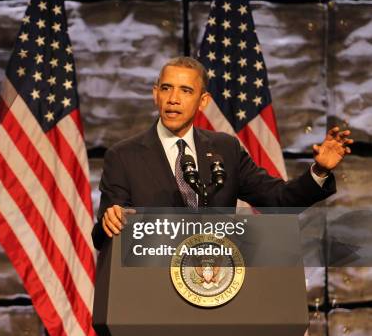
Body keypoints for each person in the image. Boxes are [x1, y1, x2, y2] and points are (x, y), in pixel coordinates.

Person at [92, 57, 352, 250]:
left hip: (216, 288)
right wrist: (113, 219)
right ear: (155, 95)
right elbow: (102, 234)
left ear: (202, 101)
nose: (173, 99)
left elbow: (278, 201)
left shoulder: (225, 149)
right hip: (154, 292)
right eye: (166, 88)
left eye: (185, 91)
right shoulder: (123, 156)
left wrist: (319, 171)